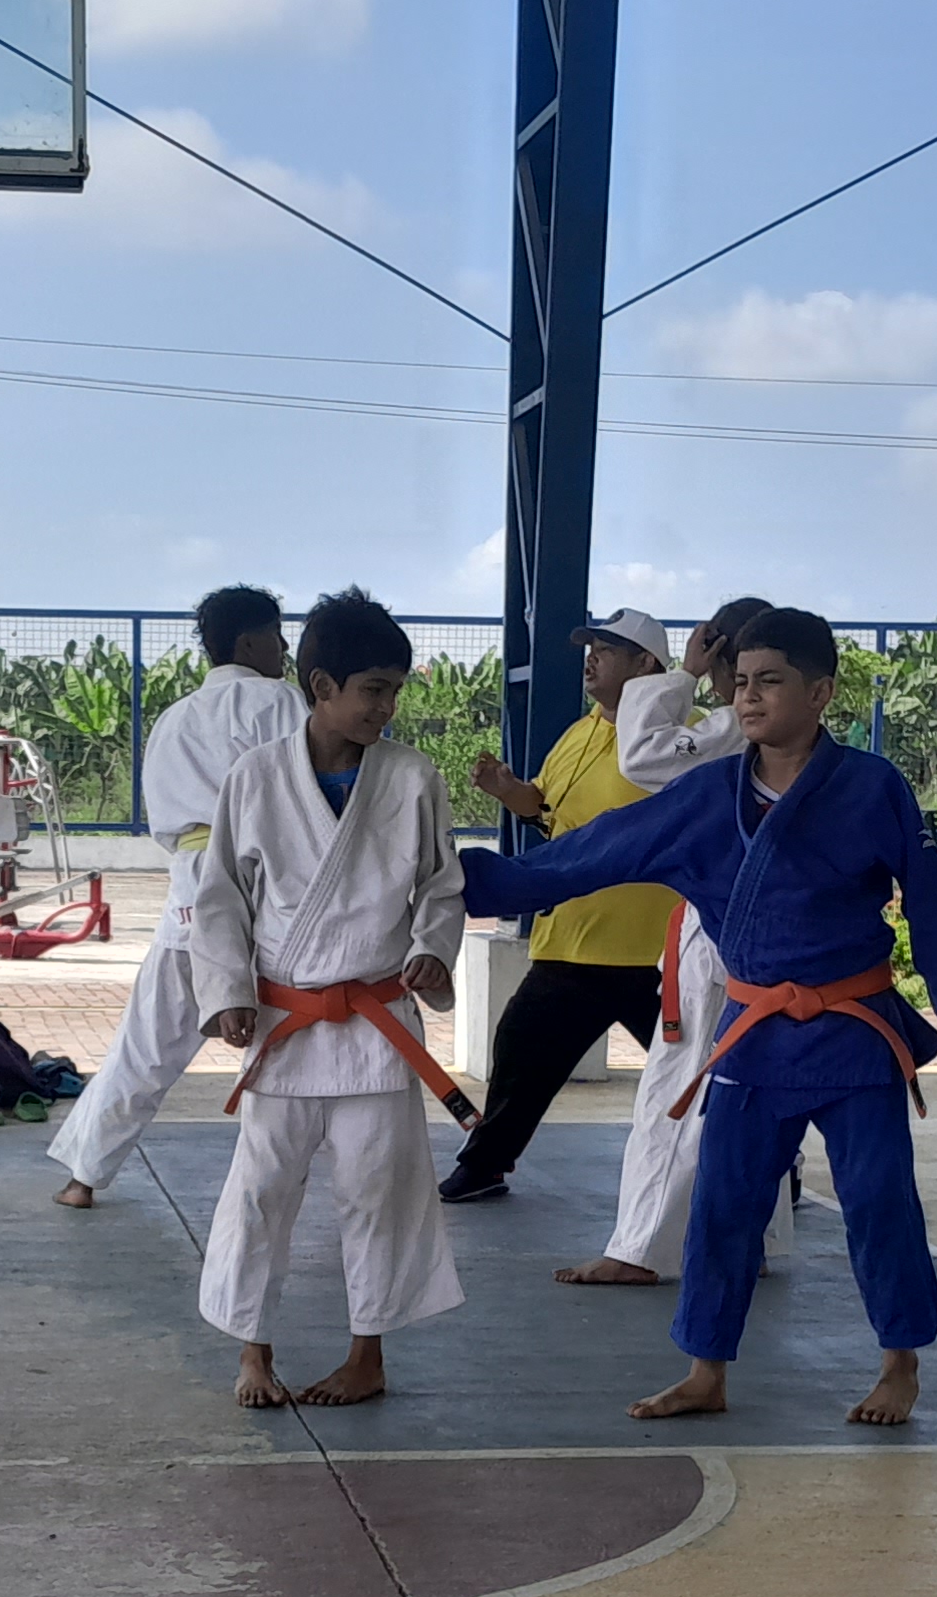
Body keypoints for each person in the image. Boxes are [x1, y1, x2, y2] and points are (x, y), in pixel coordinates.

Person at [459, 607, 937, 1427]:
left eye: (770, 681)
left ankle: (900, 1364)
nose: (748, 697)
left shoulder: (871, 786)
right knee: (723, 1204)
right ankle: (705, 1370)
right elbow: (595, 852)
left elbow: (927, 889)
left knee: (880, 1197)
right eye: (741, 682)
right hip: (754, 1035)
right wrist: (472, 880)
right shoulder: (709, 795)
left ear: (820, 693)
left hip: (854, 1031)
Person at [190, 586, 468, 1408]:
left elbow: (441, 886)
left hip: (376, 1023)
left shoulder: (413, 777)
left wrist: (430, 951)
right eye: (373, 689)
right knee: (261, 1192)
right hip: (288, 1019)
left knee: (379, 1191)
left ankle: (367, 1354)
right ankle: (253, 1352)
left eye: (395, 691)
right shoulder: (255, 777)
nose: (387, 708)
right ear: (321, 686)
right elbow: (220, 898)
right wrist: (228, 990)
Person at [49, 584, 303, 1208]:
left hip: (190, 880)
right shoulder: (278, 702)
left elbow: (164, 819)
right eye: (277, 635)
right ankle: (271, 1184)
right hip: (263, 875)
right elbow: (304, 793)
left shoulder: (174, 718)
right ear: (251, 641)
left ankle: (83, 1175)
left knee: (148, 1041)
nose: (284, 648)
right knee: (288, 1035)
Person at [562, 595, 776, 1288]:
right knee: (746, 1088)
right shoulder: (791, 737)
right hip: (762, 933)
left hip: (717, 935)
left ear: (720, 654)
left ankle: (639, 1247)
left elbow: (644, 756)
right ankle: (747, 1236)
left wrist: (682, 675)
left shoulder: (731, 730)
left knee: (675, 1088)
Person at [440, 606, 683, 1204]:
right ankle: (486, 1163)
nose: (591, 659)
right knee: (521, 1049)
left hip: (659, 954)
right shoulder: (578, 734)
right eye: (590, 648)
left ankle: (776, 1170)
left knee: (699, 1073)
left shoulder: (687, 738)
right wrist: (509, 791)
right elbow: (545, 808)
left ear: (646, 665)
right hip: (573, 940)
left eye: (607, 649)